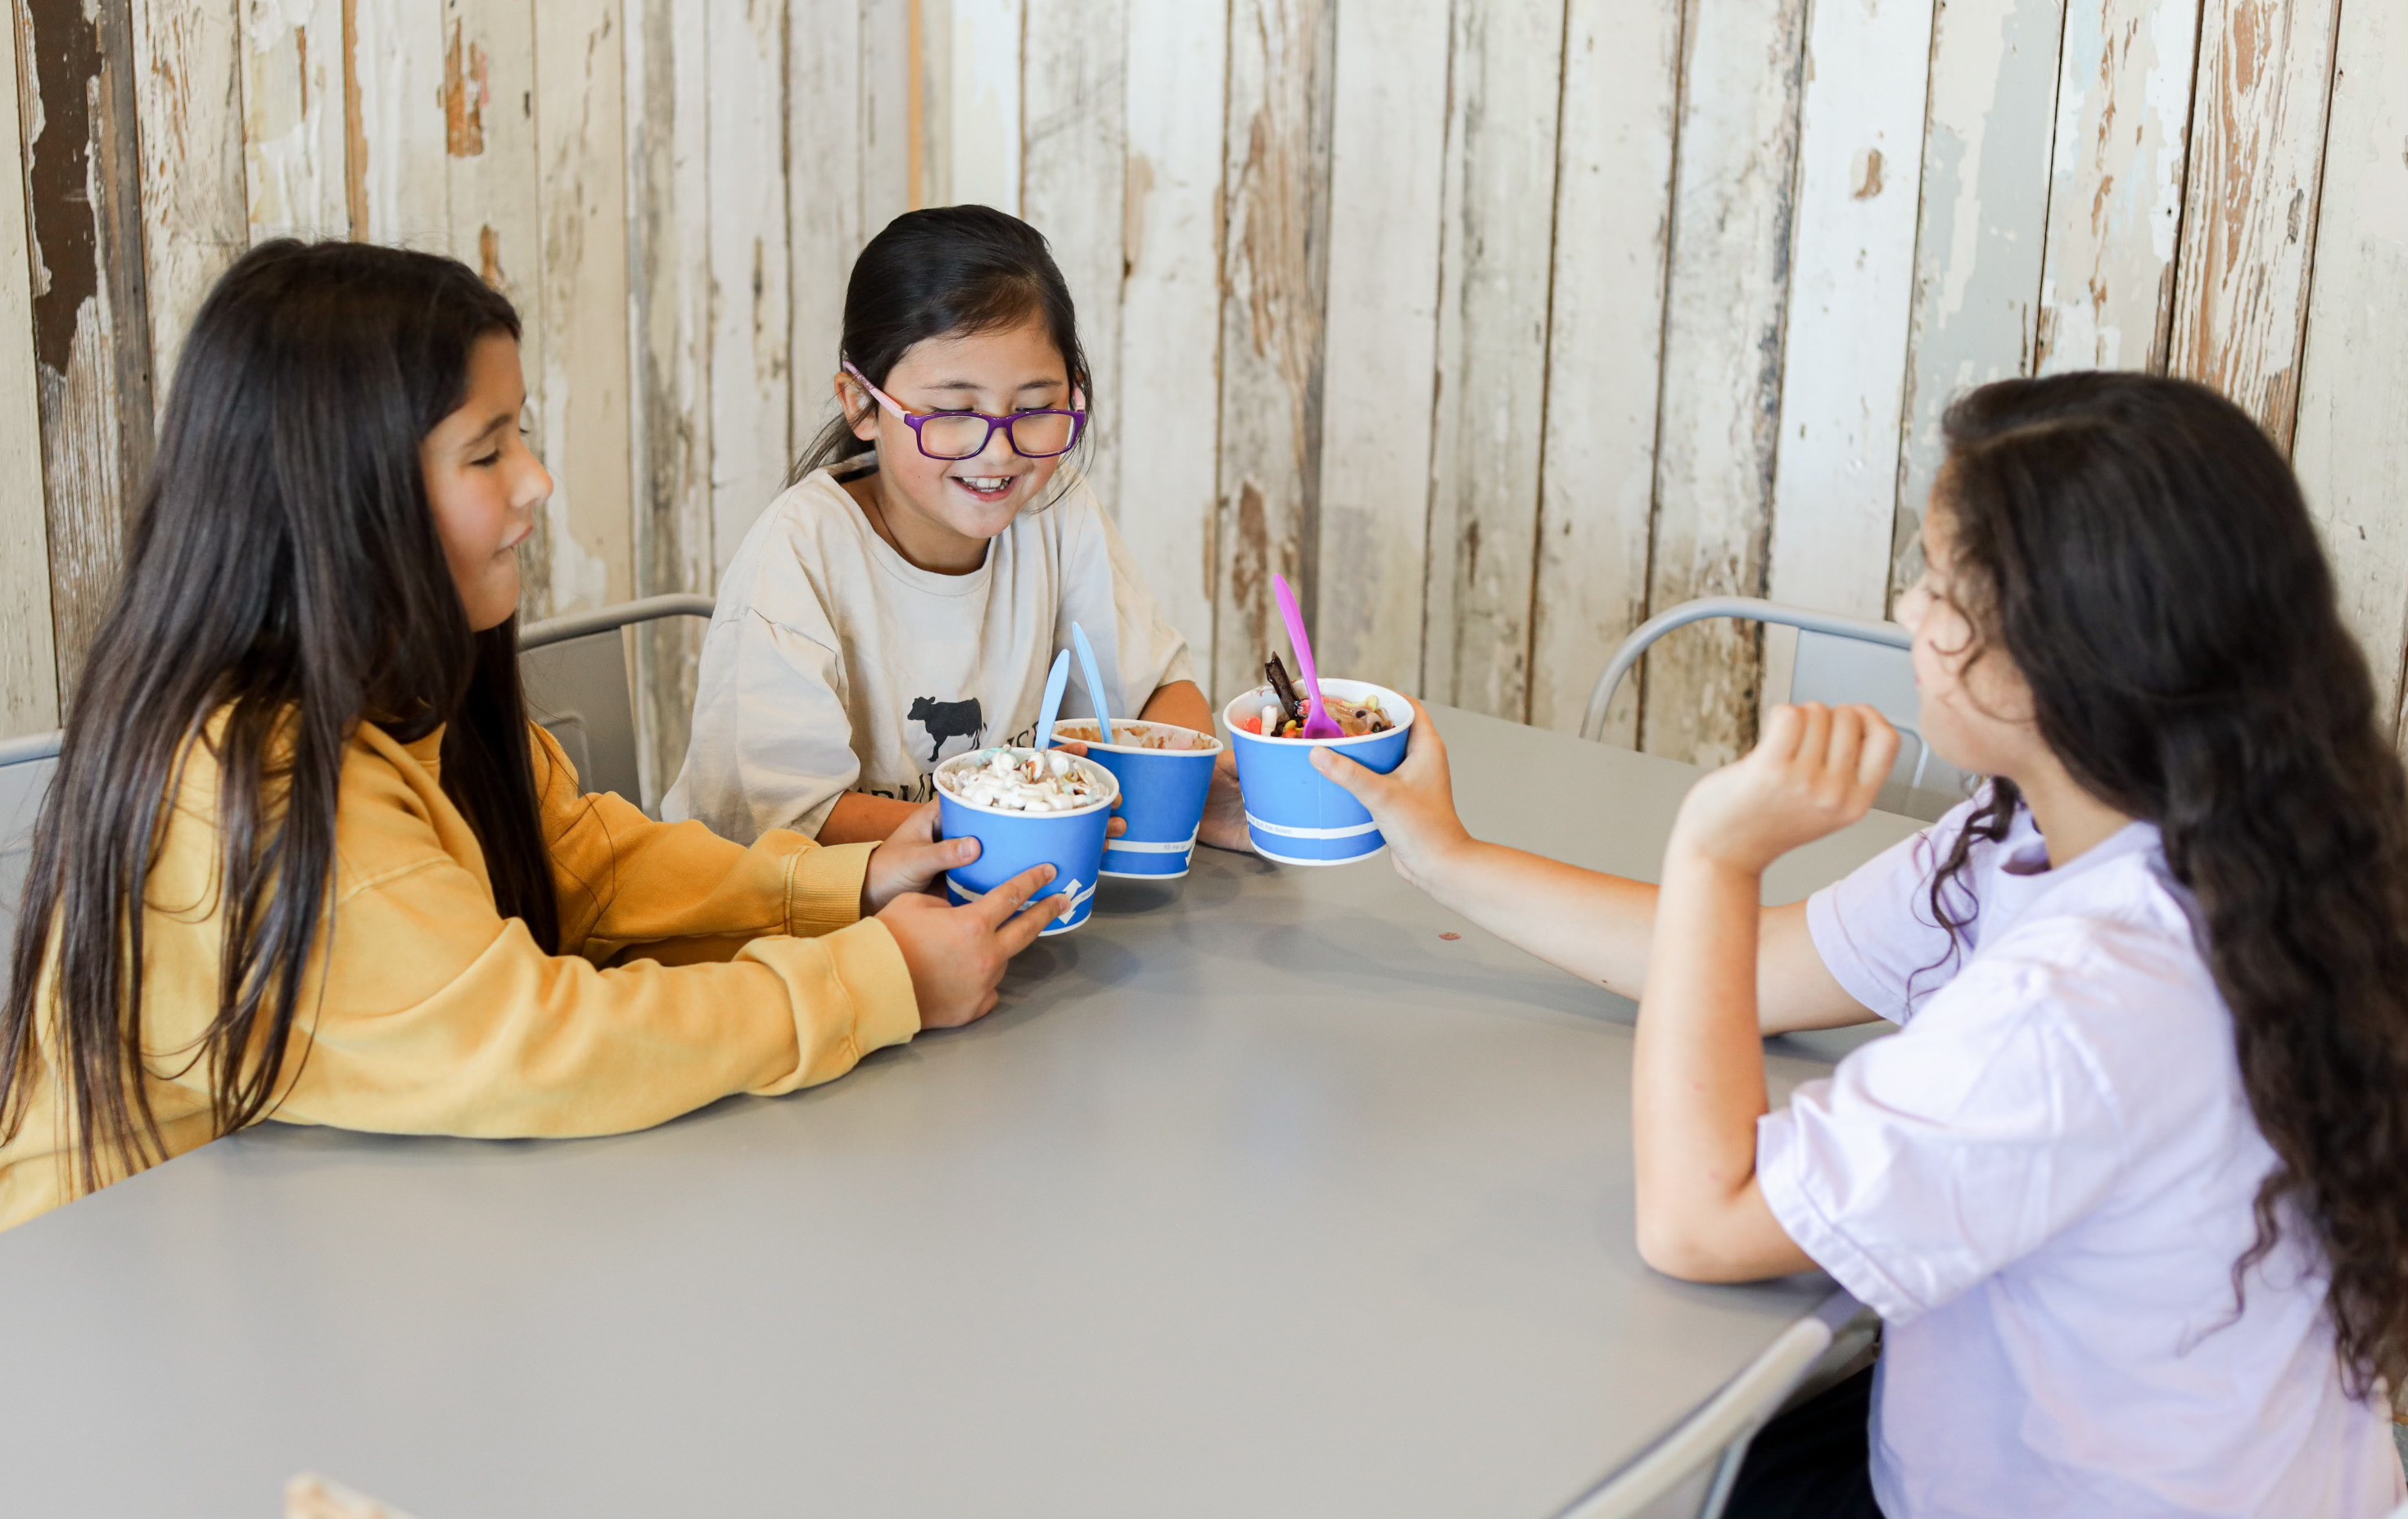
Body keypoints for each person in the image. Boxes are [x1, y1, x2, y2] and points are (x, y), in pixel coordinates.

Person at [1317, 373, 2408, 1517]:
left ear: (2049, 655)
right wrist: (1445, 855)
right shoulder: (2134, 833)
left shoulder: (2088, 999)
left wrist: (1715, 856)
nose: (1903, 610)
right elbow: (1759, 972)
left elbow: (1698, 1218)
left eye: (1937, 587)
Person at [0, 241, 1065, 1234]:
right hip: (116, 1285)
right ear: (344, 495)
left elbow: (584, 865)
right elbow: (540, 1043)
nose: (536, 482)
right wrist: (877, 982)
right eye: (486, 449)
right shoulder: (266, 782)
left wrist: (850, 885)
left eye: (524, 436)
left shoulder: (408, 688)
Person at [662, 205, 1240, 846]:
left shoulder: (1055, 508)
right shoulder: (798, 556)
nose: (998, 451)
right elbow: (780, 823)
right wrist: (1017, 824)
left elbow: (1155, 690)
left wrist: (1185, 780)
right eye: (953, 410)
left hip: (1006, 894)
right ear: (861, 404)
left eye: (1034, 407)